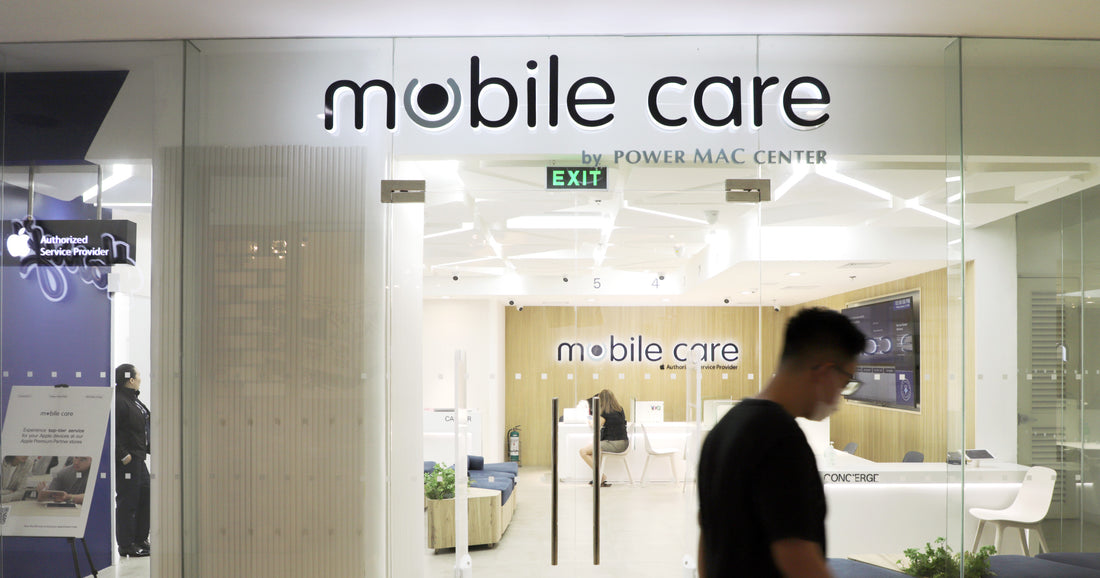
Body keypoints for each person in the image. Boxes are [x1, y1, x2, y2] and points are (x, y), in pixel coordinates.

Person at [697, 307, 865, 578]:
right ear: (824, 370)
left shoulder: (725, 428)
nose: (840, 397)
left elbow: (707, 538)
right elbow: (797, 558)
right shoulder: (781, 439)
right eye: (846, 381)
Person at [115, 363, 152, 558]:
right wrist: (123, 455)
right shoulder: (119, 401)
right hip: (128, 461)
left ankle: (140, 539)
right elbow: (113, 431)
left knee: (145, 496)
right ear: (130, 379)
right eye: (138, 376)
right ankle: (126, 545)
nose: (140, 379)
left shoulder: (134, 400)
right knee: (128, 501)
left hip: (139, 457)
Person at [579, 389, 628, 487]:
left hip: (614, 443)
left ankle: (601, 476)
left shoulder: (605, 412)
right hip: (624, 443)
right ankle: (599, 476)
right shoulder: (620, 409)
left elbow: (595, 426)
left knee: (583, 451)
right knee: (593, 452)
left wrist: (589, 420)